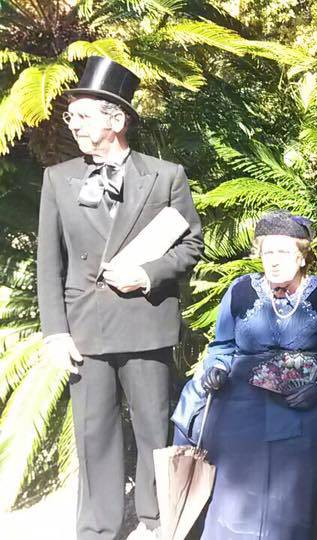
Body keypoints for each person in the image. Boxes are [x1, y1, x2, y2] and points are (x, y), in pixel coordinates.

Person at [36, 56, 203, 540]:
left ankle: (157, 521)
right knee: (94, 434)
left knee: (154, 428)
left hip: (145, 322)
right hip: (84, 330)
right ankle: (98, 529)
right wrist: (54, 332)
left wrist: (147, 274)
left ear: (116, 119)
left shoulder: (165, 175)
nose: (73, 125)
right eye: (71, 117)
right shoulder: (58, 178)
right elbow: (51, 262)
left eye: (81, 116)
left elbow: (191, 244)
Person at [171, 210, 317, 539]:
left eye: (283, 252)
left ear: (301, 257)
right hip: (243, 384)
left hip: (305, 389)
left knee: (301, 447)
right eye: (268, 252)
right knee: (223, 432)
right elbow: (223, 346)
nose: (274, 261)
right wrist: (216, 369)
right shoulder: (241, 290)